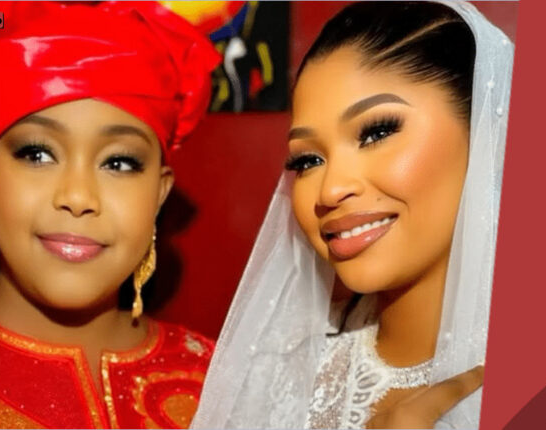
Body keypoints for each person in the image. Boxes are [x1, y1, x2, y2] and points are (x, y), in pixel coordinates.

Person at [192, 1, 513, 429]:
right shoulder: (277, 382)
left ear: (489, 134)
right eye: (307, 160)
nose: (329, 190)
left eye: (376, 132)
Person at [0, 2, 220, 428]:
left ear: (159, 193)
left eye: (119, 163)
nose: (78, 197)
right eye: (37, 154)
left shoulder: (220, 384)